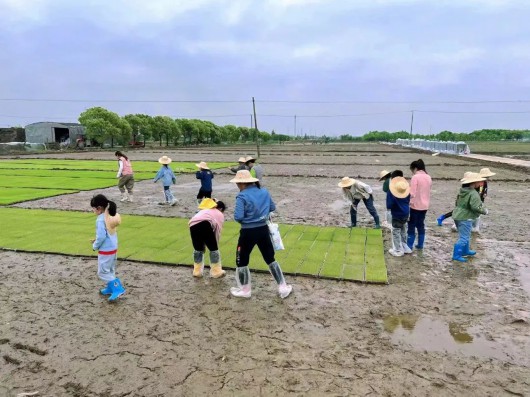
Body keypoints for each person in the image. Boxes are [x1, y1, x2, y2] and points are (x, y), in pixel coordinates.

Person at [229, 170, 292, 299]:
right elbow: (272, 208)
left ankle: (245, 290)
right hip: (263, 230)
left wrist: (248, 218)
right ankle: (283, 287)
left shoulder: (242, 196)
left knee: (242, 259)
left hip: (248, 232)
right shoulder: (264, 191)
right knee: (270, 258)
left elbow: (238, 216)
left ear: (242, 183)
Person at [90, 194, 126, 302]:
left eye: (93, 208)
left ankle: (117, 288)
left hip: (106, 250)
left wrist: (95, 246)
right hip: (113, 248)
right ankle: (111, 288)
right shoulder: (109, 216)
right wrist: (96, 240)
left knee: (102, 272)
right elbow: (108, 234)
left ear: (99, 208)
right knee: (110, 269)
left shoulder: (100, 220)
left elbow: (101, 236)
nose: (93, 210)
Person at [452, 172, 488, 262]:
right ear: (473, 183)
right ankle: (456, 255)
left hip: (457, 215)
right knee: (464, 237)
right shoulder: (473, 193)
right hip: (466, 217)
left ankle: (465, 251)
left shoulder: (462, 191)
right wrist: (484, 211)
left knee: (465, 235)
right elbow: (476, 207)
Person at [188, 198, 227, 278]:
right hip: (205, 224)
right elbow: (217, 230)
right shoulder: (219, 214)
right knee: (213, 249)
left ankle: (197, 272)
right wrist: (214, 245)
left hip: (192, 225)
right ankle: (216, 272)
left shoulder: (204, 210)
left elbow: (195, 221)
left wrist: (203, 245)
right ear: (221, 209)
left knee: (198, 249)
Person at [407, 159, 432, 250]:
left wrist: (408, 202)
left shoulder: (415, 177)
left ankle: (409, 245)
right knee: (420, 224)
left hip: (415, 205)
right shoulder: (428, 177)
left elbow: (412, 193)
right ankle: (420, 244)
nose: (412, 172)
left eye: (412, 170)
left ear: (416, 168)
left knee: (411, 225)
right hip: (425, 206)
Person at [387, 177, 411, 257]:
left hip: (397, 215)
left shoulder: (392, 194)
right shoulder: (407, 193)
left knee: (396, 231)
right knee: (403, 229)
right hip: (406, 213)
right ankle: (405, 247)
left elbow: (389, 205)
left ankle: (397, 250)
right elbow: (408, 201)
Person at [472, 168, 495, 233]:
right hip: (474, 199)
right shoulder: (476, 182)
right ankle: (473, 226)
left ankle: (476, 227)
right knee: (472, 212)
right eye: (486, 177)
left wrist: (485, 194)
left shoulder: (485, 182)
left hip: (480, 200)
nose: (487, 178)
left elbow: (485, 190)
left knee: (478, 213)